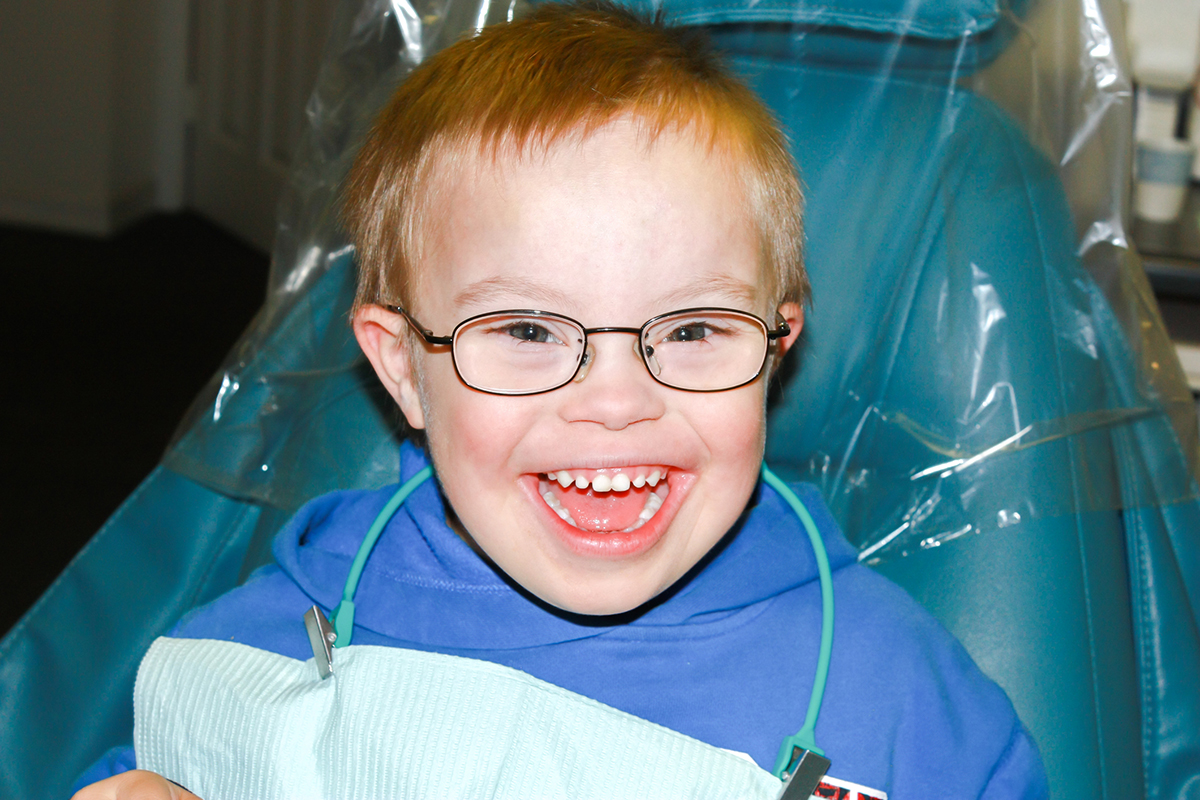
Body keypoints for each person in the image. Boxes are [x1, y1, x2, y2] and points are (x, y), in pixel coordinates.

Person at [74, 3, 1048, 797]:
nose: (614, 401)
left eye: (693, 330)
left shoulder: (907, 703)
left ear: (777, 344)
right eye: (530, 332)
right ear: (404, 366)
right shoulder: (277, 638)